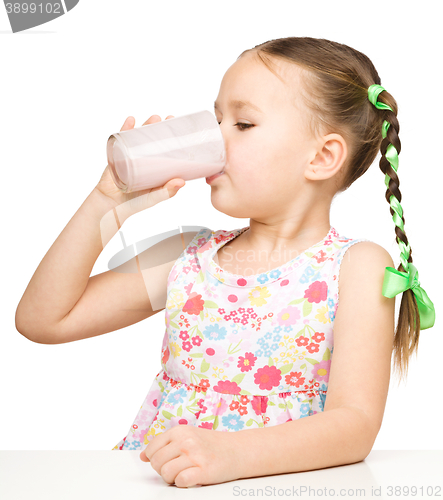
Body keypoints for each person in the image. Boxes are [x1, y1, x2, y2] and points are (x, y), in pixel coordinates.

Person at [15, 36, 435, 488]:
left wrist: (230, 454)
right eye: (217, 119)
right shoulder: (186, 255)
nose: (216, 139)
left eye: (244, 123)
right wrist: (106, 202)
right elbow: (44, 321)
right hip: (162, 485)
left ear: (322, 156)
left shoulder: (358, 267)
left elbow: (354, 425)